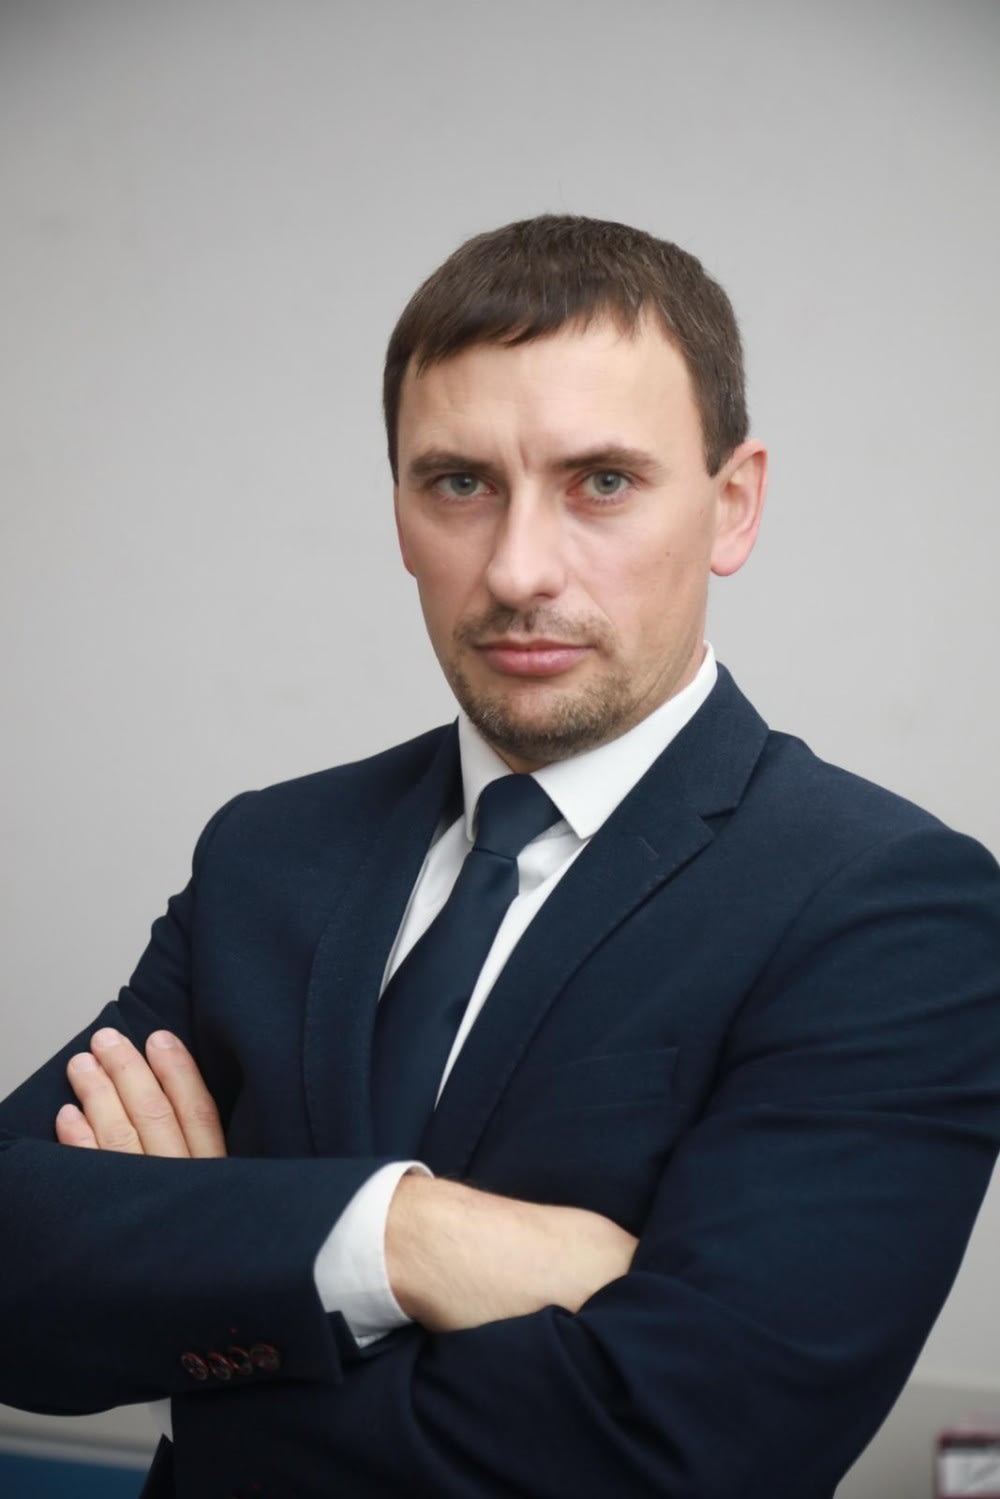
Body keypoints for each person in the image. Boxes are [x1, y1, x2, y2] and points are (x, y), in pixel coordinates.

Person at [2, 215, 999, 1499]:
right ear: (400, 511)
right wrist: (404, 1235)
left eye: (603, 481)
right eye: (460, 483)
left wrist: (209, 1301)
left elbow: (684, 1450)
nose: (520, 569)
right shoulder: (269, 853)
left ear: (731, 504)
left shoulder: (889, 909)